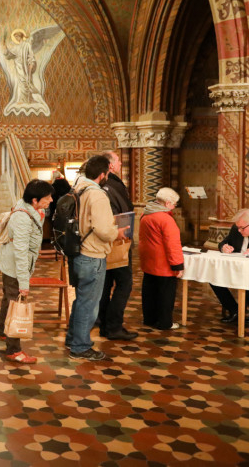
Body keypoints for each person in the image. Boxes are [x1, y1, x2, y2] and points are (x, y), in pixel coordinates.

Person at [65, 155, 128, 361]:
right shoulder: (97, 195)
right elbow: (103, 230)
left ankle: (72, 339)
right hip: (92, 254)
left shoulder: (78, 189)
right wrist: (117, 233)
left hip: (78, 251)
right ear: (103, 175)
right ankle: (80, 347)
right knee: (89, 304)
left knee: (81, 300)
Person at [0, 178, 54, 364]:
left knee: (9, 298)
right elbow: (20, 252)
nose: (51, 200)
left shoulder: (30, 208)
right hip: (15, 266)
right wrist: (24, 283)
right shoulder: (22, 217)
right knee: (16, 303)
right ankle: (14, 350)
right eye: (47, 197)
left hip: (10, 262)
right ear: (35, 200)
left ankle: (2, 331)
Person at [98, 150, 137, 341]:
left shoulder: (107, 185)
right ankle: (113, 326)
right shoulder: (108, 186)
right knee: (124, 283)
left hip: (110, 240)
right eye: (118, 161)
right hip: (117, 239)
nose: (121, 163)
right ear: (111, 165)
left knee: (106, 284)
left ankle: (105, 324)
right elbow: (112, 215)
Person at [138, 188, 184, 330]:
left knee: (149, 292)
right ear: (168, 203)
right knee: (166, 295)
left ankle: (149, 319)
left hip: (148, 260)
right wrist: (177, 265)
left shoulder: (145, 214)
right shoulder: (166, 219)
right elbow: (173, 244)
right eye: (174, 204)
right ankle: (165, 323)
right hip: (163, 264)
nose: (174, 207)